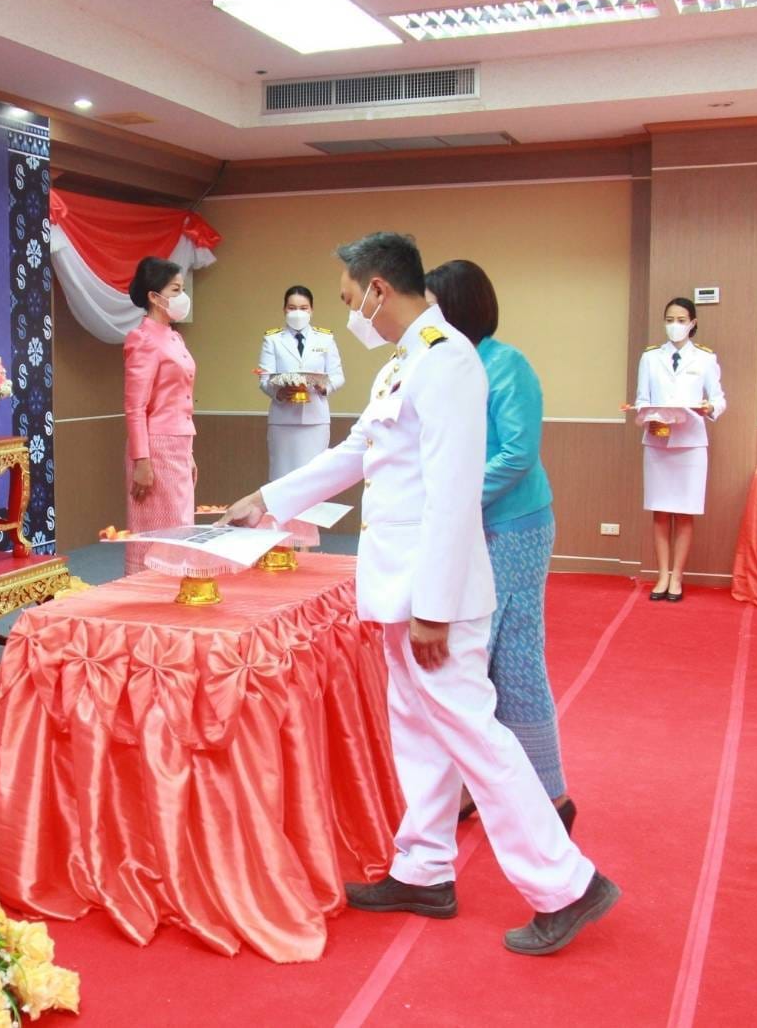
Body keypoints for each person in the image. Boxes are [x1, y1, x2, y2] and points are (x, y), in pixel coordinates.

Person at [222, 233, 618, 955]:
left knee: (473, 736)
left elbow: (453, 493)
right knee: (419, 732)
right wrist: (267, 500)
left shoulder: (449, 361)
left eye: (349, 298)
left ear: (379, 289)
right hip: (401, 586)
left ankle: (566, 884)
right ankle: (424, 869)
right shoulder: (405, 362)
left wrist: (433, 609)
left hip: (435, 597)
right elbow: (358, 452)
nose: (348, 313)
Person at [424, 260, 575, 833]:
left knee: (509, 660)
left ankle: (549, 795)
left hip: (511, 527)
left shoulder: (505, 364)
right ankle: (474, 787)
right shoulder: (446, 364)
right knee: (476, 664)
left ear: (458, 308)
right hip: (467, 526)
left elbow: (516, 455)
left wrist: (451, 502)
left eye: (433, 307)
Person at [629, 297, 726, 602]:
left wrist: (710, 407)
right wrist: (649, 416)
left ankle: (677, 577)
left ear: (692, 323)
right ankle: (662, 575)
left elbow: (719, 398)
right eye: (670, 319)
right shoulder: (650, 357)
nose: (675, 325)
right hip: (658, 441)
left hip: (691, 444)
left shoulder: (705, 358)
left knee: (684, 513)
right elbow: (642, 399)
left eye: (681, 320)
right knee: (660, 512)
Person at [123, 256, 197, 575]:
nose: (183, 296)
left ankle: (177, 588)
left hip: (180, 442)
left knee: (181, 524)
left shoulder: (174, 336)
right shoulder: (142, 339)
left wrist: (189, 453)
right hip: (156, 446)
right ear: (154, 296)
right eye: (175, 290)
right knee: (158, 526)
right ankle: (149, 589)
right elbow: (135, 407)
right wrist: (142, 460)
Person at [258, 285, 345, 480]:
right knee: (283, 476)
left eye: (303, 308)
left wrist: (325, 387)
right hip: (283, 420)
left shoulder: (325, 339)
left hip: (316, 419)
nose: (298, 313)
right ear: (284, 309)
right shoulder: (273, 340)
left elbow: (338, 376)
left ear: (311, 310)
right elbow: (264, 378)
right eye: (292, 308)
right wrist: (278, 393)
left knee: (315, 477)